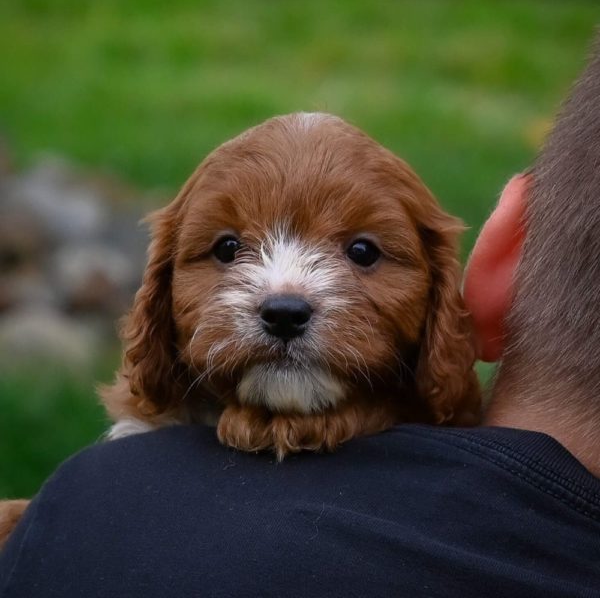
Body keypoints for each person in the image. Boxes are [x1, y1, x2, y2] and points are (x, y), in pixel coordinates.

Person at [3, 49, 600, 598]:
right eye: (230, 248)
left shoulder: (87, 507)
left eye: (363, 253)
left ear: (447, 297)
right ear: (158, 292)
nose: (284, 295)